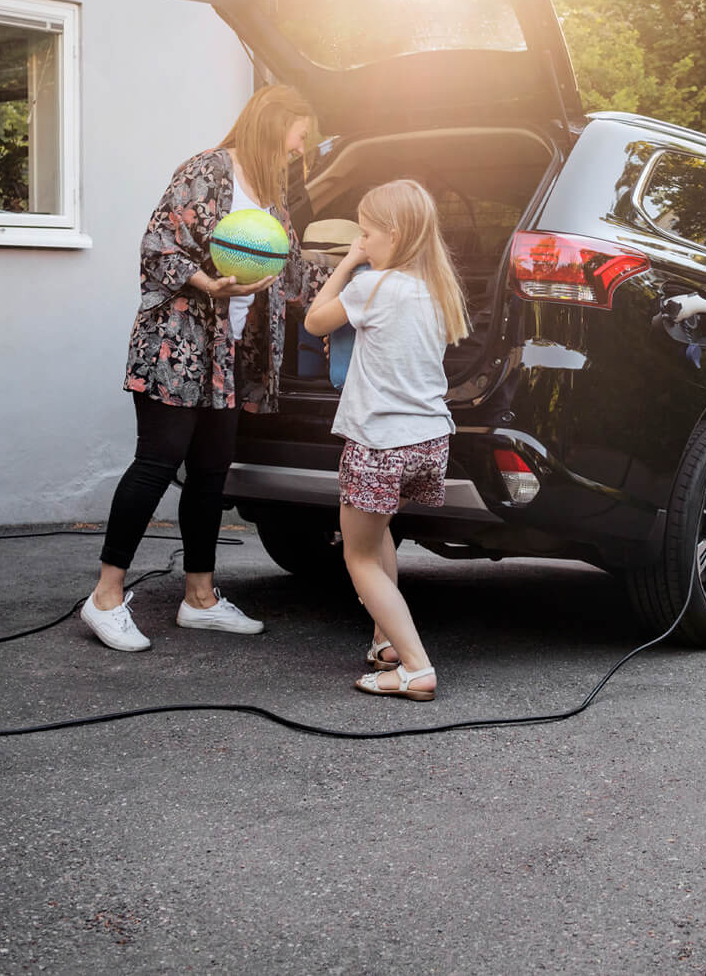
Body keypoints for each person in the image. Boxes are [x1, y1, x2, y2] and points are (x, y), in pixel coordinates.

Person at [80, 85, 332, 653]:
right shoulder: (208, 170)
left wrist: (364, 272)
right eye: (298, 136)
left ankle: (199, 598)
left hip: (226, 357)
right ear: (274, 125)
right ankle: (105, 598)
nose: (300, 150)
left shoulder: (270, 196)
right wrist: (206, 283)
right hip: (177, 346)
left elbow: (289, 272)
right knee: (156, 463)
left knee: (211, 473)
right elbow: (159, 244)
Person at [304, 179, 470, 701]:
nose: (363, 242)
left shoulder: (372, 286)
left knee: (358, 557)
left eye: (367, 234)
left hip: (380, 442)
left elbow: (313, 320)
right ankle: (387, 644)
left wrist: (347, 262)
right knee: (378, 539)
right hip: (428, 439)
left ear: (393, 235)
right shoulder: (438, 290)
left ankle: (416, 667)